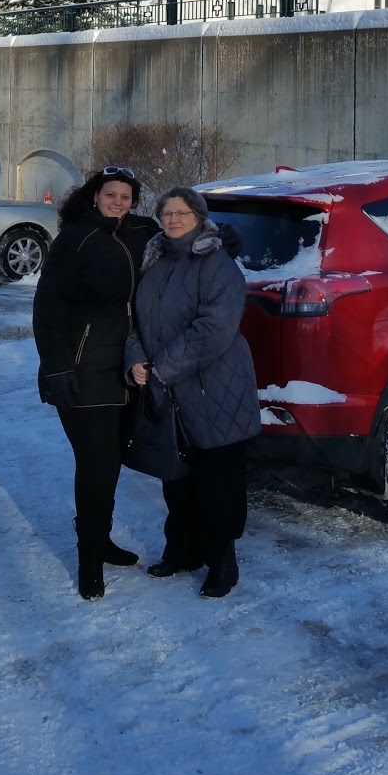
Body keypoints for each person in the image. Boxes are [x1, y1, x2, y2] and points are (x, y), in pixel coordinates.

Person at [125, 185, 261, 598]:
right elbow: (131, 318)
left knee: (217, 483)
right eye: (166, 213)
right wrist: (135, 358)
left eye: (182, 212)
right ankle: (182, 550)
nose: (173, 219)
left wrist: (162, 368)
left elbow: (214, 329)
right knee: (176, 478)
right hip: (169, 392)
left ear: (199, 217)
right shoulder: (153, 260)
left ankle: (222, 561)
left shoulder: (216, 262)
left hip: (214, 390)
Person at [33, 167, 157, 601]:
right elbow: (48, 310)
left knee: (112, 462)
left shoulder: (144, 231)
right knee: (96, 465)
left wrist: (220, 242)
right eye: (111, 194)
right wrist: (58, 370)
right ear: (94, 196)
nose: (118, 202)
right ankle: (89, 560)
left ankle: (100, 540)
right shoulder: (76, 238)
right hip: (83, 369)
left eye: (126, 195)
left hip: (128, 366)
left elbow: (184, 243)